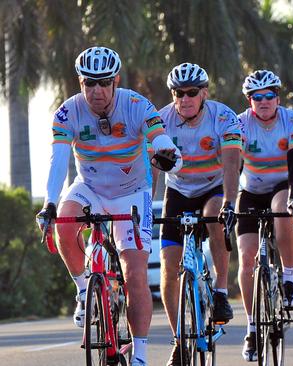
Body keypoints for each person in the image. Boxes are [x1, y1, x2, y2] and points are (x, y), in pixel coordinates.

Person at [36, 46, 182, 366]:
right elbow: (58, 161)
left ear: (115, 81)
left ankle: (140, 353)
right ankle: (83, 292)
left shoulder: (136, 105)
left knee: (134, 272)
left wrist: (168, 152)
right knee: (65, 221)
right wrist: (49, 202)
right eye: (89, 83)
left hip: (131, 191)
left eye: (103, 82)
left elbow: (160, 138)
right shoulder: (67, 112)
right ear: (80, 83)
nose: (96, 91)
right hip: (90, 187)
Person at [154, 63, 242, 365]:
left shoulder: (224, 117)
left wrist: (231, 202)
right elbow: (151, 169)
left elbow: (232, 164)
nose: (185, 98)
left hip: (213, 186)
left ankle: (219, 291)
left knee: (216, 216)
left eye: (192, 92)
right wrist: (142, 207)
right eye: (178, 93)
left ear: (204, 93)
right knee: (168, 267)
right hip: (177, 191)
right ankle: (179, 339)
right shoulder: (162, 120)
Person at [236, 70, 293, 361]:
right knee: (246, 257)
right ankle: (252, 328)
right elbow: (232, 165)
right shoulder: (239, 124)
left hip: (284, 183)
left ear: (277, 98)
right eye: (257, 97)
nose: (263, 102)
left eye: (269, 96)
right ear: (250, 100)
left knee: (282, 208)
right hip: (251, 189)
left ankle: (289, 279)